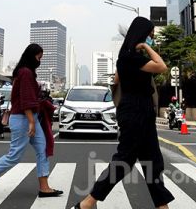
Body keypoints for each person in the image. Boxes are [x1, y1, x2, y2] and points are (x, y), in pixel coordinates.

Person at [74, 17, 174, 209]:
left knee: (153, 161)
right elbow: (161, 66)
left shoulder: (124, 58)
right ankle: (87, 203)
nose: (151, 38)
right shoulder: (132, 58)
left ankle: (162, 206)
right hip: (135, 111)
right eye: (150, 34)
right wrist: (146, 47)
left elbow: (118, 79)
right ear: (141, 35)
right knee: (124, 160)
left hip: (140, 111)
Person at [0, 44, 62, 200]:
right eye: (39, 57)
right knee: (14, 155)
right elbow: (26, 100)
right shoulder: (25, 73)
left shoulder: (26, 72)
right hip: (23, 118)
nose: (40, 60)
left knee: (43, 148)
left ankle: (44, 187)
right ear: (32, 56)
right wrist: (32, 123)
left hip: (28, 117)